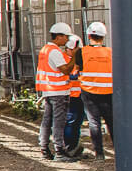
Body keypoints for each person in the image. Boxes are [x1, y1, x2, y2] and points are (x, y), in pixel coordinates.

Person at [36, 21, 76, 161]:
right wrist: (75, 57)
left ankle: (44, 148)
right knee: (58, 121)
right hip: (58, 91)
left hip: (48, 90)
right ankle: (60, 151)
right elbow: (65, 69)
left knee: (47, 120)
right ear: (58, 36)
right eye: (66, 37)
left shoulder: (45, 49)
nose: (67, 40)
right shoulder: (54, 51)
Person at [79, 21, 114, 160]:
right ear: (103, 37)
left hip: (89, 92)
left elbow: (76, 69)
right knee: (111, 122)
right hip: (108, 92)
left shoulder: (82, 52)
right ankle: (120, 150)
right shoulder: (111, 53)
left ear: (89, 36)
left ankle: (99, 154)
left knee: (94, 122)